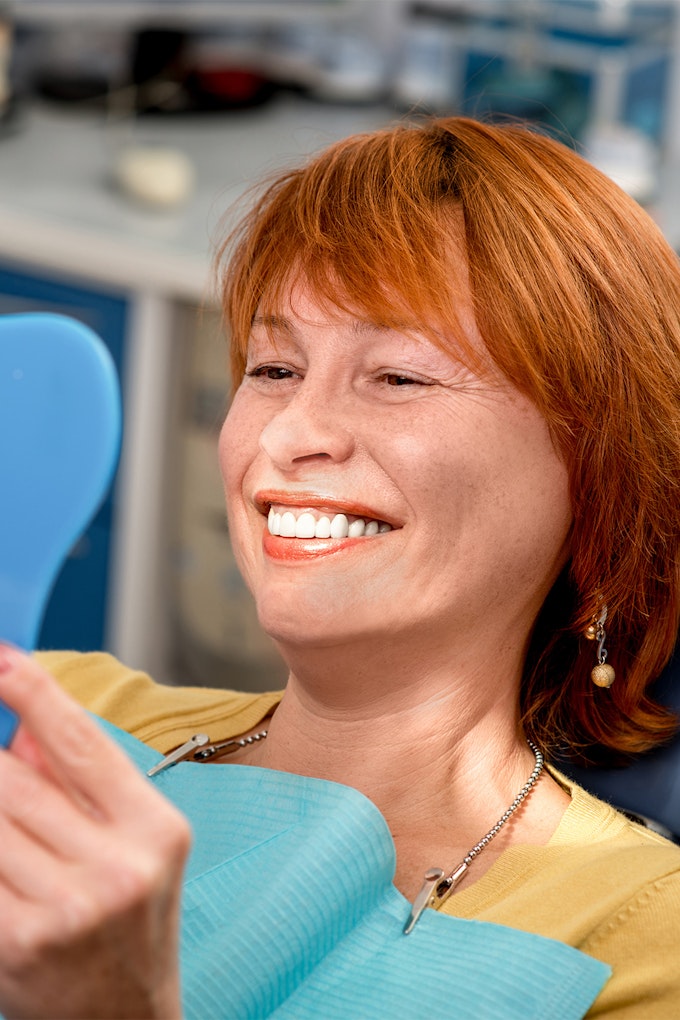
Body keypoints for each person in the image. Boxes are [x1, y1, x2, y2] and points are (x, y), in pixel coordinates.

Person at [0, 114, 679, 1018]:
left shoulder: (641, 940)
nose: (289, 435)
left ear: (596, 476)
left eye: (399, 376)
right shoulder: (51, 715)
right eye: (274, 369)